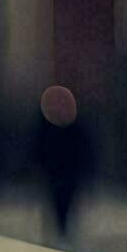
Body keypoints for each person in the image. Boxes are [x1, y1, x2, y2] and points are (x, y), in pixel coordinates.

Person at [32, 85, 95, 242]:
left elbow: (85, 149)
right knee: (55, 200)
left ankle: (64, 229)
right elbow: (38, 148)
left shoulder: (77, 126)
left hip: (70, 173)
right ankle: (59, 229)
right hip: (54, 172)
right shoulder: (46, 127)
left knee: (68, 200)